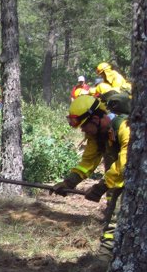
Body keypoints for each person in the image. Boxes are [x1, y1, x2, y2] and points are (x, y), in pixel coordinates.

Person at [51, 94, 130, 262]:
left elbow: (126, 161)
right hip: (117, 181)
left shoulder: (124, 126)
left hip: (132, 180)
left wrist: (102, 186)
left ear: (95, 118)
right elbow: (88, 162)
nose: (83, 130)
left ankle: (103, 261)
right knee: (113, 214)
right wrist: (68, 182)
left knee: (116, 217)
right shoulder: (97, 135)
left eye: (84, 125)